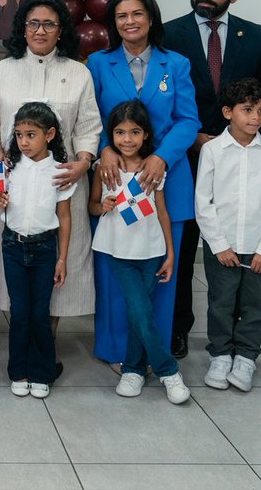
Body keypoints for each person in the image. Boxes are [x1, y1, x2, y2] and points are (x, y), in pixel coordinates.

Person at [0, 0, 100, 359]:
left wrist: (83, 162)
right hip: (9, 181)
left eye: (49, 23)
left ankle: (46, 343)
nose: (40, 30)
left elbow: (89, 126)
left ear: (60, 29)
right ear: (22, 28)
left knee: (61, 261)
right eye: (33, 23)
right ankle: (22, 340)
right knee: (11, 262)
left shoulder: (78, 72)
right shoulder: (4, 70)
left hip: (63, 181)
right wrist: (1, 158)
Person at [162, 0, 261, 358]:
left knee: (237, 244)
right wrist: (196, 138)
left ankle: (239, 339)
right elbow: (164, 101)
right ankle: (178, 327)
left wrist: (234, 141)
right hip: (185, 157)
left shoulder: (255, 36)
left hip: (237, 161)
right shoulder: (169, 32)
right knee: (184, 243)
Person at [86, 0, 200, 366]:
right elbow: (94, 119)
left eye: (137, 14)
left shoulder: (177, 64)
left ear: (151, 18)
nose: (130, 21)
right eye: (121, 16)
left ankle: (154, 353)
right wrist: (104, 148)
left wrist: (162, 158)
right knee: (114, 275)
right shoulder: (99, 64)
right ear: (113, 24)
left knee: (161, 277)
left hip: (164, 184)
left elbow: (188, 121)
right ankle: (116, 349)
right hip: (115, 181)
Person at [88, 101, 190, 405]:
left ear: (145, 135)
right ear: (112, 135)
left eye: (134, 132)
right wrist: (101, 207)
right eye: (120, 132)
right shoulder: (104, 168)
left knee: (140, 313)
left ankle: (133, 368)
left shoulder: (152, 169)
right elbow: (92, 205)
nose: (127, 139)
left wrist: (171, 254)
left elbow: (162, 213)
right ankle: (168, 371)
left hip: (151, 251)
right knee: (140, 311)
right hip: (119, 251)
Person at [194, 78, 261, 393]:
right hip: (221, 246)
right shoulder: (212, 150)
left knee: (254, 304)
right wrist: (219, 245)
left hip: (259, 248)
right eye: (247, 110)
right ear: (227, 112)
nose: (255, 118)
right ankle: (221, 354)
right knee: (220, 302)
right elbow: (203, 203)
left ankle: (246, 357)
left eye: (260, 111)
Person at [0, 102, 74, 401]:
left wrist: (62, 258)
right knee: (20, 311)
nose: (23, 142)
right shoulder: (9, 168)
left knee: (40, 312)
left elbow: (64, 217)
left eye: (31, 135)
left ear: (50, 134)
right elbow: (0, 200)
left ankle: (42, 372)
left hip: (44, 248)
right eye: (18, 135)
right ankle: (19, 371)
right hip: (12, 246)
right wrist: (1, 202)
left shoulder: (59, 172)